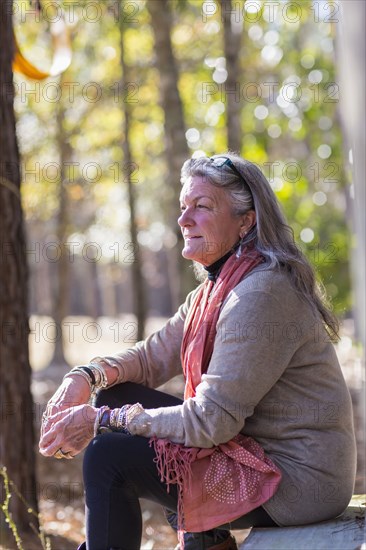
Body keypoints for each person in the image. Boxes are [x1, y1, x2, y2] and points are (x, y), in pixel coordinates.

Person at [39, 153, 356, 550]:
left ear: (246, 220)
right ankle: (208, 541)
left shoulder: (259, 294)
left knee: (109, 457)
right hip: (249, 452)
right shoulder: (216, 288)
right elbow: (150, 358)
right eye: (183, 207)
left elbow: (210, 423)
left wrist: (101, 420)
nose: (184, 219)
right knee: (118, 392)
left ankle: (200, 540)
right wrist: (85, 378)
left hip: (297, 481)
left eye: (202, 207)